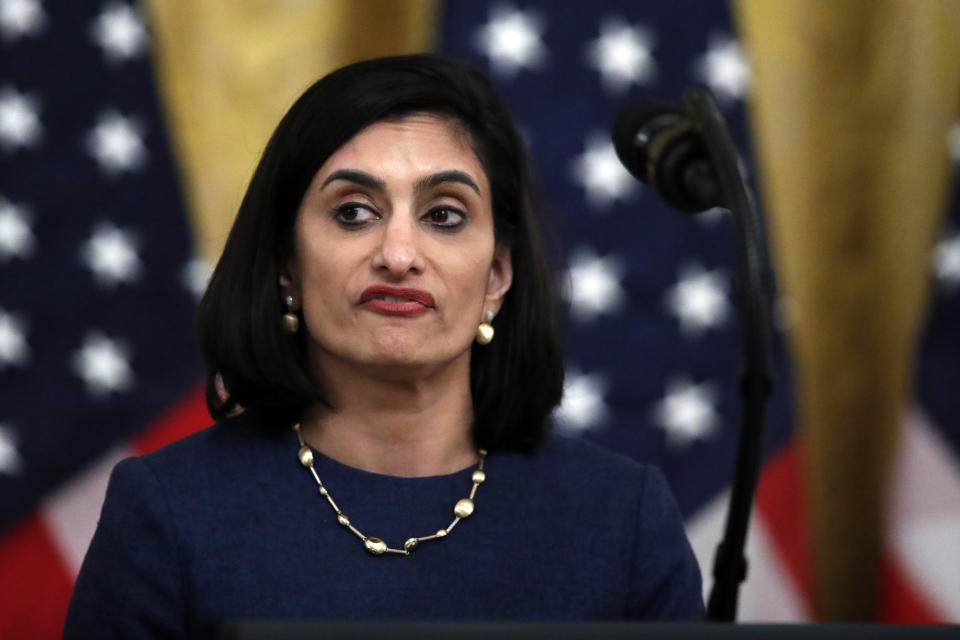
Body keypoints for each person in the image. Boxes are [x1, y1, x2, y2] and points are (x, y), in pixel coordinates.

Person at [63, 53, 704, 637]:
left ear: (497, 278)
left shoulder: (622, 520)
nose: (398, 256)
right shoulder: (167, 511)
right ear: (288, 263)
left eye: (444, 215)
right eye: (353, 212)